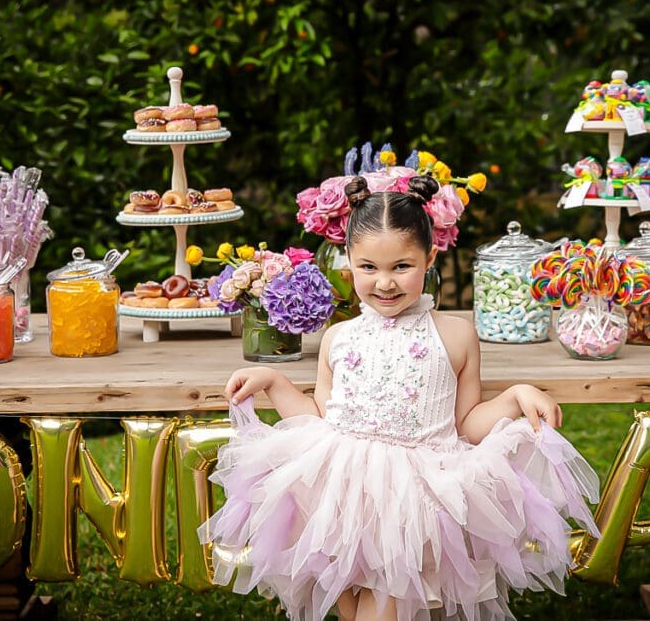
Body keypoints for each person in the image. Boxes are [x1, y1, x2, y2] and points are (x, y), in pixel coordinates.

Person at [199, 175, 600, 621]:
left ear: (429, 258)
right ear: (349, 262)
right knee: (351, 608)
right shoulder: (338, 338)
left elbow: (466, 422)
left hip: (415, 497)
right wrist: (275, 383)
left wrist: (515, 396)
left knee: (384, 609)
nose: (385, 283)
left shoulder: (457, 335)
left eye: (401, 267)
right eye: (369, 268)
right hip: (342, 491)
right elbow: (319, 417)